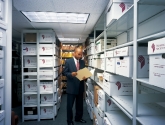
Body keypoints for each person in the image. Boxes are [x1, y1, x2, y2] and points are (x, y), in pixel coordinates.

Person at [63, 46, 87, 125]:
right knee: (70, 106)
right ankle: (69, 121)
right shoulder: (68, 61)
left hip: (80, 87)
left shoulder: (82, 62)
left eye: (81, 54)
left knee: (80, 105)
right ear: (74, 53)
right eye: (79, 54)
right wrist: (71, 74)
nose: (80, 56)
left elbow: (83, 73)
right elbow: (64, 73)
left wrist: (85, 77)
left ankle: (78, 118)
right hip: (71, 87)